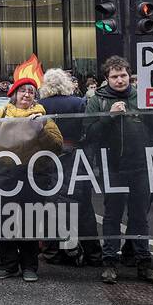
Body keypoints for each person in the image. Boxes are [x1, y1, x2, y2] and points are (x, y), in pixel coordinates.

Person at [84, 56, 153, 287]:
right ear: (107, 79)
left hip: (140, 166)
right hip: (112, 167)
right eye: (114, 76)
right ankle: (110, 263)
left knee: (139, 216)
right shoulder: (98, 100)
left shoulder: (143, 98)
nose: (120, 80)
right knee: (112, 214)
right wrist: (109, 116)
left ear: (129, 75)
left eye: (123, 75)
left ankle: (144, 264)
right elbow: (89, 134)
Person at [0, 76, 64, 282]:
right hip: (6, 175)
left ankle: (30, 266)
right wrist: (0, 153)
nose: (27, 94)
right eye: (23, 91)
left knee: (30, 219)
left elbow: (57, 146)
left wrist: (42, 131)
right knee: (5, 219)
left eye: (31, 91)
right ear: (14, 94)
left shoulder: (44, 118)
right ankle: (7, 264)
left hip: (34, 175)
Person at [38, 67, 100, 266]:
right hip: (75, 157)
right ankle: (92, 252)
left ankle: (52, 252)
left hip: (48, 158)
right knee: (82, 205)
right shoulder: (79, 103)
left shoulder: (41, 105)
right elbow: (88, 131)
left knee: (50, 205)